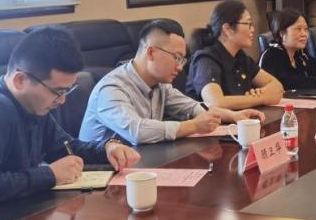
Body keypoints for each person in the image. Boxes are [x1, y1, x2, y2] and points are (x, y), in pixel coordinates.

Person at [0, 27, 140, 220]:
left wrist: (107, 148)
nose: (62, 101)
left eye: (67, 91)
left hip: (6, 218)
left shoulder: (33, 105)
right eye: (57, 91)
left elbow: (66, 148)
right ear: (20, 80)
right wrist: (50, 175)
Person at [80, 19, 265, 144]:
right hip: (102, 178)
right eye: (176, 58)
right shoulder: (111, 88)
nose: (180, 67)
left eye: (183, 60)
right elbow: (137, 131)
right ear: (151, 52)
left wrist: (233, 116)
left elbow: (192, 107)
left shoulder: (160, 85)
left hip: (140, 165)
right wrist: (194, 126)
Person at [185, 0, 284, 109]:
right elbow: (215, 102)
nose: (253, 29)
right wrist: (262, 98)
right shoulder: (205, 59)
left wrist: (260, 93)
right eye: (248, 24)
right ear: (227, 29)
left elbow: (277, 86)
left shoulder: (241, 58)